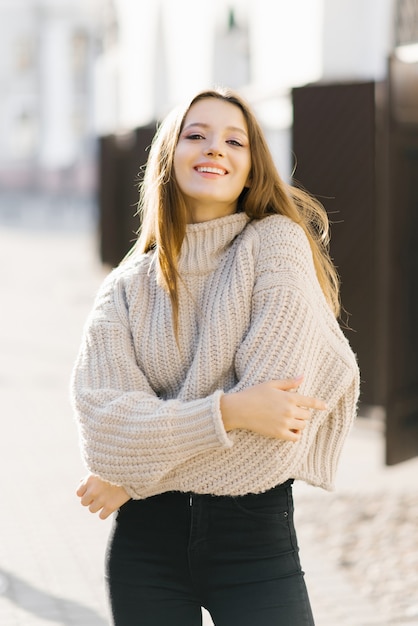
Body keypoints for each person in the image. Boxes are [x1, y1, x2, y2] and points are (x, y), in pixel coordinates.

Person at [71, 87, 360, 626]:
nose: (215, 149)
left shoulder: (276, 245)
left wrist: (134, 475)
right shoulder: (125, 288)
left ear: (252, 169)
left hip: (254, 547)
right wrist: (230, 412)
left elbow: (270, 442)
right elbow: (105, 435)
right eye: (196, 135)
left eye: (235, 141)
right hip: (145, 553)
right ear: (169, 155)